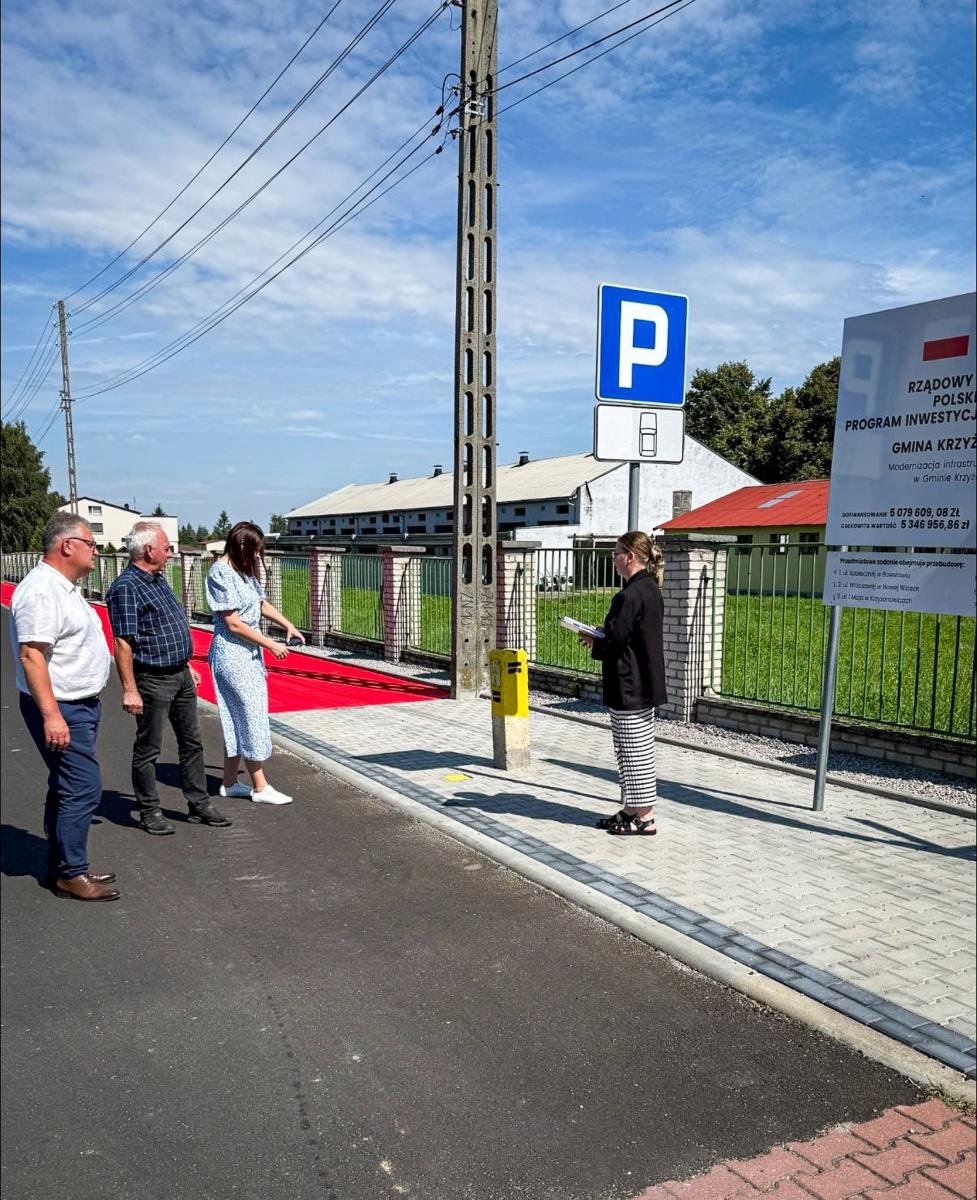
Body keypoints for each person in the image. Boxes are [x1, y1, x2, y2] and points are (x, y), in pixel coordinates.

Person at [9, 512, 120, 900]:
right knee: (83, 787)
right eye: (91, 544)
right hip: (63, 707)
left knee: (66, 785)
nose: (97, 551)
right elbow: (31, 656)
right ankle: (71, 873)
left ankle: (63, 865)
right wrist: (52, 714)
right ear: (67, 545)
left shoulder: (62, 586)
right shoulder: (42, 591)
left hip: (79, 704)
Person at [106, 521, 231, 836]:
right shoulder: (127, 587)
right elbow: (123, 642)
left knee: (192, 742)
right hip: (152, 679)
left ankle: (198, 804)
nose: (171, 553)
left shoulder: (157, 580)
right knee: (149, 747)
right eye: (166, 547)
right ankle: (149, 811)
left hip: (180, 674)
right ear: (149, 550)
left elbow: (166, 627)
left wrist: (185, 663)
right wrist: (130, 689)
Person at [205, 521, 305, 805]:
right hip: (232, 654)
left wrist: (287, 624)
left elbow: (260, 603)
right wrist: (271, 644)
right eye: (256, 550)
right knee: (249, 715)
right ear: (243, 547)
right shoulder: (220, 573)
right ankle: (260, 787)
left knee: (238, 716)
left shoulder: (243, 572)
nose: (259, 556)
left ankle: (229, 782)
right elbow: (233, 624)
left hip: (249, 654)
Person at [579, 531, 667, 836]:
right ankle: (633, 808)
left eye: (616, 552)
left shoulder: (628, 595)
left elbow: (617, 641)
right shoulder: (649, 589)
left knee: (633, 750)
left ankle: (645, 817)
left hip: (630, 682)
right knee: (631, 747)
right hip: (644, 680)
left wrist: (595, 638)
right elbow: (629, 633)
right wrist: (606, 631)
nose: (613, 558)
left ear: (630, 556)